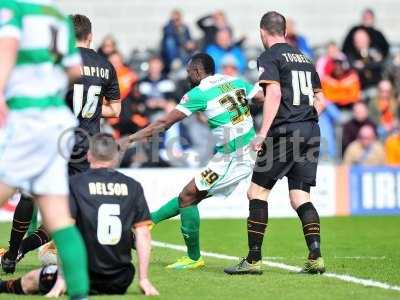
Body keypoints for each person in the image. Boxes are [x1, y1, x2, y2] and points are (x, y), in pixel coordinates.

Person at [1, 14, 122, 272]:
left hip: (54, 137)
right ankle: (78, 265)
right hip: (85, 143)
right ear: (90, 35)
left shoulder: (59, 62)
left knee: (29, 195)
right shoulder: (105, 66)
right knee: (69, 210)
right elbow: (116, 110)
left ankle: (12, 254)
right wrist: (90, 109)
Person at [123, 53, 263, 269]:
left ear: (197, 71)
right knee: (189, 195)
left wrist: (130, 138)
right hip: (233, 153)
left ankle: (192, 256)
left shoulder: (198, 93)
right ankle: (148, 223)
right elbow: (261, 97)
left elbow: (163, 123)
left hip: (235, 155)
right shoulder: (233, 80)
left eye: (189, 72)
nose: (187, 76)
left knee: (189, 195)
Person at [224, 11, 326, 275]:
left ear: (262, 31)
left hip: (284, 132)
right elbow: (320, 101)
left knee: (256, 193)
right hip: (311, 130)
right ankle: (315, 256)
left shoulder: (270, 56)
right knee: (300, 197)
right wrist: (304, 117)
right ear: (284, 30)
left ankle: (254, 259)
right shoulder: (305, 58)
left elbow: (276, 93)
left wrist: (262, 133)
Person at [0, 1, 89, 299]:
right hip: (57, 125)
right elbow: (75, 70)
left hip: (26, 118)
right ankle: (79, 294)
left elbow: (6, 50)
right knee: (59, 219)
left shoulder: (10, 10)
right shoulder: (55, 16)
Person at [0, 134, 159, 297]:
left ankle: (3, 284)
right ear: (116, 156)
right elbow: (143, 234)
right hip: (121, 280)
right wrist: (144, 279)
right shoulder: (133, 186)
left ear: (89, 155)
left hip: (79, 277)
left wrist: (62, 279)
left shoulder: (75, 185)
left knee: (31, 279)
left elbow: (65, 232)